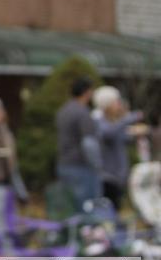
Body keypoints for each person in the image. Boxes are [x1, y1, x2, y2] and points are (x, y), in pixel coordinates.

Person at [92, 86, 144, 211]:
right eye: (117, 101)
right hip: (107, 177)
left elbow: (121, 138)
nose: (119, 105)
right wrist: (128, 118)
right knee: (108, 213)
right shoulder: (98, 120)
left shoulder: (113, 121)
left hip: (119, 177)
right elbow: (108, 134)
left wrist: (135, 135)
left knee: (117, 210)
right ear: (107, 104)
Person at [56, 77, 103, 208]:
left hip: (64, 163)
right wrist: (97, 164)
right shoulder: (82, 112)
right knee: (85, 207)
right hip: (80, 165)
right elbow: (89, 143)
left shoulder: (63, 110)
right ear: (87, 92)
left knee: (69, 206)